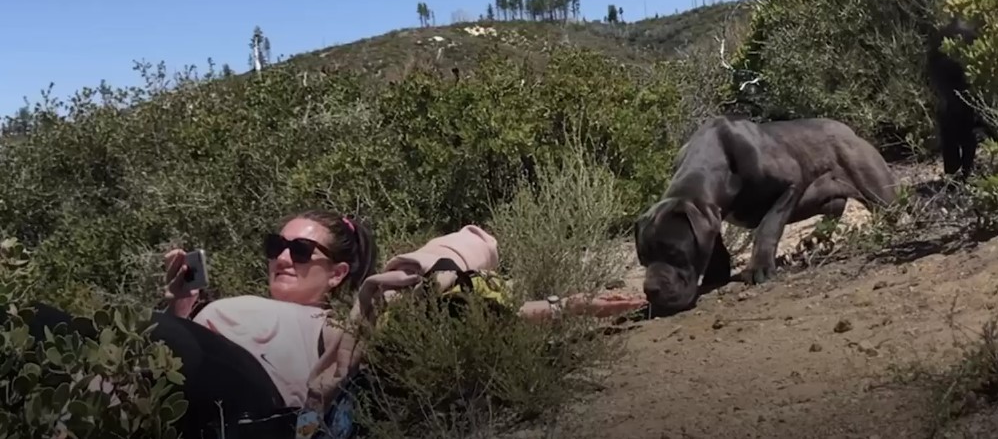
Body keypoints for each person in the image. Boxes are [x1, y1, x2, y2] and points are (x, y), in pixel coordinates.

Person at [3, 209, 646, 437]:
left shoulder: (334, 324)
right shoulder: (209, 311)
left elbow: (474, 318)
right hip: (187, 375)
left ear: (335, 274)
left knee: (161, 334)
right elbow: (179, 363)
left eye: (303, 251)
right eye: (276, 246)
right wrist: (181, 301)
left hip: (254, 413)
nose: (284, 256)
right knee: (37, 321)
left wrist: (572, 308)